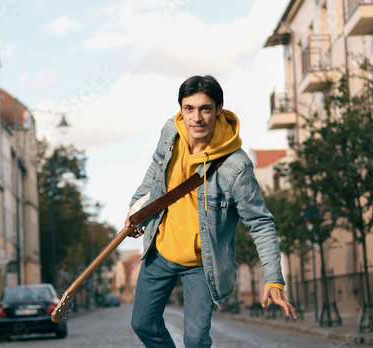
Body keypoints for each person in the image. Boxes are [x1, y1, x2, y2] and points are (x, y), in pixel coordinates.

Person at [126, 75, 296, 348]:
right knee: (143, 324)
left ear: (219, 108)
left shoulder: (236, 166)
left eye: (205, 108)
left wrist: (274, 277)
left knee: (195, 340)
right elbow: (154, 175)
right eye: (189, 108)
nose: (197, 118)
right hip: (161, 251)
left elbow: (261, 222)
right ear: (181, 109)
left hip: (202, 265)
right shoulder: (171, 132)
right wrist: (136, 210)